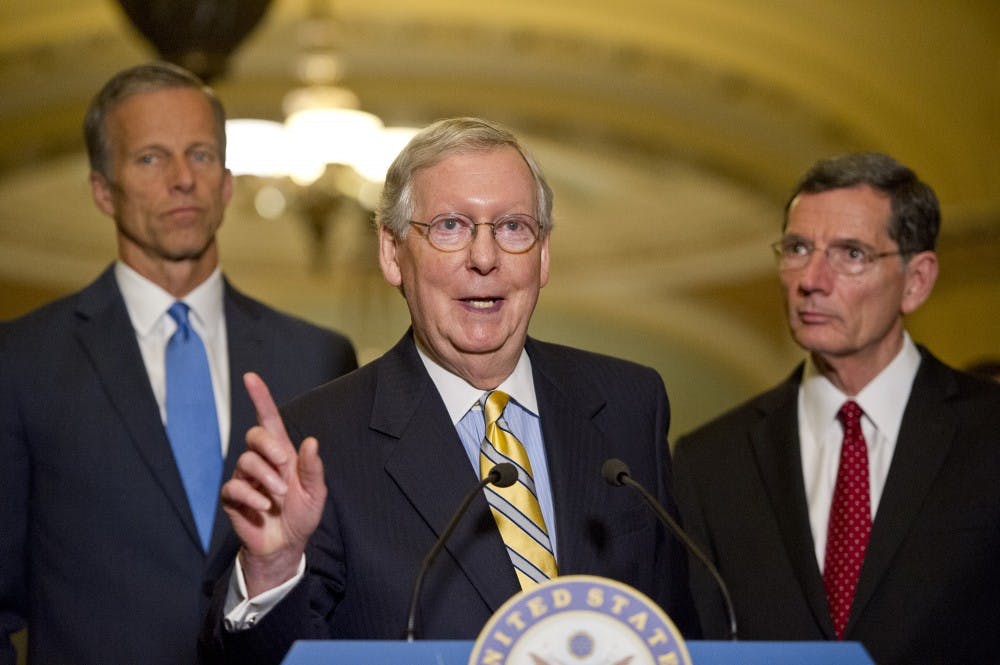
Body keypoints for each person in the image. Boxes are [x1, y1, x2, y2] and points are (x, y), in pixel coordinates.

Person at [197, 117, 697, 663]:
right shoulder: (318, 441)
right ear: (392, 254)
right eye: (452, 226)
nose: (485, 259)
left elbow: (676, 629)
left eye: (512, 228)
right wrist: (272, 573)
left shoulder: (629, 403)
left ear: (543, 255)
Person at [0, 62, 358, 665]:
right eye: (150, 158)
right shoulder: (21, 362)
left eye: (200, 155)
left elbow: (342, 588)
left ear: (226, 182)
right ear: (101, 190)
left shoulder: (317, 357)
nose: (182, 179)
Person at [672, 152, 1000, 664]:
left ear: (917, 281)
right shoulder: (711, 461)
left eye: (851, 254)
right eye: (798, 248)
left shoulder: (988, 430)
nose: (812, 279)